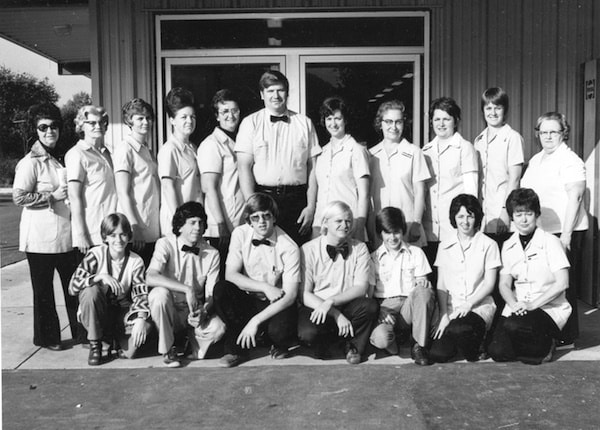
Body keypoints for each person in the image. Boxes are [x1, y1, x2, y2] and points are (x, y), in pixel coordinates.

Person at [12, 102, 79, 350]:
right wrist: (51, 197)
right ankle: (47, 338)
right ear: (35, 130)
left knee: (73, 287)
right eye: (43, 127)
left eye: (54, 126)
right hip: (40, 239)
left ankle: (81, 332)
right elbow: (20, 197)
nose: (50, 131)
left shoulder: (63, 156)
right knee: (44, 293)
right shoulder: (30, 162)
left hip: (65, 236)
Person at [520, 112, 587, 349]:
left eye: (554, 132)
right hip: (543, 231)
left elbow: (576, 196)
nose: (548, 136)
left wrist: (566, 235)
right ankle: (553, 331)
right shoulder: (538, 159)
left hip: (564, 231)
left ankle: (567, 338)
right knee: (548, 285)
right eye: (543, 132)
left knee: (564, 286)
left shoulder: (570, 160)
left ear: (563, 133)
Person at [212, 193, 301, 368]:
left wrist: (256, 321)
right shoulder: (240, 234)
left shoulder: (289, 247)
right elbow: (231, 275)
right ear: (249, 221)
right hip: (249, 298)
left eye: (266, 216)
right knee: (221, 290)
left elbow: (290, 296)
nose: (261, 222)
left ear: (274, 217)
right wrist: (264, 287)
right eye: (255, 217)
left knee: (279, 333)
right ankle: (236, 349)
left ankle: (269, 338)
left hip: (276, 302)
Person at [235, 70, 321, 245]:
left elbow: (313, 169)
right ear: (262, 94)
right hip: (263, 199)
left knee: (298, 255)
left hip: (297, 202)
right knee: (266, 255)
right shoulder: (250, 123)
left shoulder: (304, 123)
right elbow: (244, 168)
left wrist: (311, 207)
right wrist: (253, 207)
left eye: (280, 90)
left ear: (287, 93)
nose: (276, 95)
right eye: (270, 91)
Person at [488, 188, 571, 364]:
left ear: (536, 214)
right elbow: (504, 284)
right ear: (512, 217)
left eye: (529, 213)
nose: (524, 219)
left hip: (547, 307)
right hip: (519, 307)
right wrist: (513, 304)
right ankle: (534, 346)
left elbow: (562, 283)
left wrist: (532, 304)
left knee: (515, 327)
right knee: (497, 351)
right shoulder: (508, 245)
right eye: (518, 214)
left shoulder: (551, 242)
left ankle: (548, 342)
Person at [298, 201, 378, 364]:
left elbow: (361, 287)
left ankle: (352, 345)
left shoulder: (360, 248)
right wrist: (335, 313)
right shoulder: (308, 249)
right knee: (308, 334)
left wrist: (332, 301)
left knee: (370, 306)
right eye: (339, 221)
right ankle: (331, 342)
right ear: (325, 222)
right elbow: (304, 294)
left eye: (348, 221)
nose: (345, 225)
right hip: (318, 307)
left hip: (347, 303)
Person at [146, 202, 225, 368]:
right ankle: (168, 350)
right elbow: (151, 277)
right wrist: (186, 289)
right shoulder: (165, 244)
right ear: (180, 226)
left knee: (219, 328)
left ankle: (191, 345)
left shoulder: (212, 253)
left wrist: (203, 312)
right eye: (192, 222)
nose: (198, 227)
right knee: (159, 295)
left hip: (193, 313)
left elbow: (211, 292)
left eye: (201, 223)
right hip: (169, 312)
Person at [69, 213, 151, 365]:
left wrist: (140, 318)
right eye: (112, 235)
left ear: (129, 236)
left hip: (120, 310)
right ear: (105, 237)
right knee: (90, 291)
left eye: (123, 235)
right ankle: (96, 344)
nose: (118, 240)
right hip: (96, 311)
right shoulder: (95, 254)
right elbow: (73, 286)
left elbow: (141, 294)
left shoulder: (135, 261)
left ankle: (115, 341)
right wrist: (99, 277)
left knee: (136, 342)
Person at [429, 194, 500, 363]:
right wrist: (443, 315)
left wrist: (469, 304)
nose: (465, 221)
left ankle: (479, 341)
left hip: (478, 307)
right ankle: (462, 342)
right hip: (453, 308)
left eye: (470, 216)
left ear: (477, 217)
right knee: (438, 354)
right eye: (460, 216)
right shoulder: (444, 246)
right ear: (454, 218)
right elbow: (441, 284)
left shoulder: (489, 244)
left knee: (460, 329)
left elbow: (489, 284)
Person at [368, 207, 435, 366]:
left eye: (396, 232)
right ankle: (396, 339)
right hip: (385, 307)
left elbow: (421, 285)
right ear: (380, 233)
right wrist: (379, 311)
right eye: (387, 232)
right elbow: (369, 294)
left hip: (409, 306)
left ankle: (419, 345)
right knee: (381, 339)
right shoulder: (373, 258)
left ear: (403, 231)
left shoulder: (416, 253)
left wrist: (423, 284)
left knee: (424, 290)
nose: (392, 237)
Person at [422, 97, 478, 266]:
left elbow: (471, 191)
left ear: (456, 121)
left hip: (453, 229)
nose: (441, 124)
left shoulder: (465, 148)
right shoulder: (425, 151)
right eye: (437, 119)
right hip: (429, 229)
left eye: (446, 119)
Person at [369, 100, 430, 249]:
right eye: (388, 121)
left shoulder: (414, 152)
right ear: (380, 123)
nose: (393, 127)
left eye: (398, 122)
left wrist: (416, 222)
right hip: (380, 230)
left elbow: (420, 192)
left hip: (407, 227)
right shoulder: (371, 155)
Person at [197, 89, 245, 273]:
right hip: (222, 229)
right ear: (217, 116)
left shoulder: (240, 141)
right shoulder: (211, 145)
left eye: (234, 110)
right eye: (225, 111)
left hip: (238, 224)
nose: (231, 116)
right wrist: (221, 224)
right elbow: (209, 188)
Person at [312, 96, 370, 241]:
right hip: (322, 226)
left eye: (338, 118)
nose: (333, 123)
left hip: (346, 225)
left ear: (345, 120)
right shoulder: (322, 153)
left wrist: (359, 226)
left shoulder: (356, 150)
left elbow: (364, 194)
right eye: (329, 119)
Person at [473, 87, 524, 243]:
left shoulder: (512, 138)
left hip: (502, 214)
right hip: (483, 217)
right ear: (483, 111)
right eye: (488, 108)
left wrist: (505, 212)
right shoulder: (479, 140)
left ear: (505, 110)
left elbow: (514, 179)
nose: (493, 113)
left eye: (498, 108)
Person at [65, 105, 117, 256]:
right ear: (81, 126)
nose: (98, 126)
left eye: (101, 122)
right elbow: (74, 196)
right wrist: (81, 234)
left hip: (110, 231)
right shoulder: (77, 154)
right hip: (90, 235)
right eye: (91, 123)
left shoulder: (107, 154)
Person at [114, 98, 160, 266]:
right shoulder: (125, 149)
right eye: (140, 118)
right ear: (129, 121)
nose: (145, 122)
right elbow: (122, 192)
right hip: (136, 230)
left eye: (148, 117)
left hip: (151, 228)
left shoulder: (147, 150)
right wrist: (135, 227)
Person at [158, 87, 203, 236]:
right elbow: (167, 187)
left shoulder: (193, 148)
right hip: (179, 225)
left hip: (193, 223)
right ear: (172, 120)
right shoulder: (169, 149)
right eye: (183, 117)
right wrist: (181, 223)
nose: (189, 121)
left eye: (193, 117)